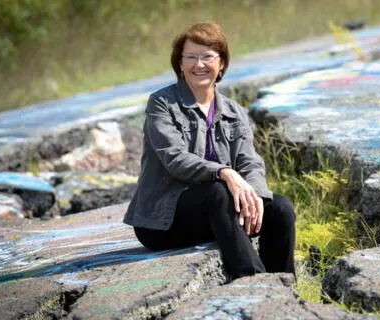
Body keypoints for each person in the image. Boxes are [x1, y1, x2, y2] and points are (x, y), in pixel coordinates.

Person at [124, 22, 296, 280]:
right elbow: (175, 159)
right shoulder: (161, 104)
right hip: (163, 222)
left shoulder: (234, 111)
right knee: (218, 192)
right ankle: (255, 284)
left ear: (222, 63)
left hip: (216, 213)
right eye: (191, 57)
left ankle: (284, 287)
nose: (199, 64)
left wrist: (256, 196)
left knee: (279, 207)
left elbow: (250, 163)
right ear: (179, 64)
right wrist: (225, 172)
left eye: (207, 57)